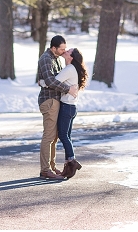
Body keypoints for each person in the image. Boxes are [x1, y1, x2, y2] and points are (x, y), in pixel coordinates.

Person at [37, 35, 78, 180]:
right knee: (48, 136)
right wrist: (68, 89)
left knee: (54, 137)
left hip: (56, 100)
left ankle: (52, 166)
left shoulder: (56, 59)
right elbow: (50, 80)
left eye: (65, 48)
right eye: (61, 49)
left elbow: (52, 80)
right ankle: (45, 170)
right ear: (53, 48)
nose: (64, 51)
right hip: (49, 101)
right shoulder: (46, 59)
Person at [54, 48, 88, 179]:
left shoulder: (69, 69)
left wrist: (42, 82)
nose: (66, 51)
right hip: (72, 107)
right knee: (66, 136)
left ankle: (72, 161)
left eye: (68, 51)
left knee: (63, 135)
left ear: (71, 57)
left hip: (67, 107)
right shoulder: (72, 69)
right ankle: (69, 163)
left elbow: (54, 82)